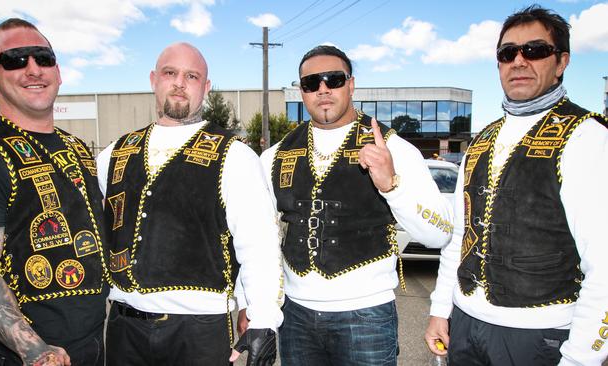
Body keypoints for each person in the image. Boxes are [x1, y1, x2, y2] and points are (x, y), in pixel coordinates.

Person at [237, 45, 452, 366]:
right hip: (295, 317)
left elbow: (441, 234)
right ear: (301, 91)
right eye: (311, 83)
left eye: (333, 79)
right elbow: (256, 238)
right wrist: (248, 302)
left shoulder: (394, 147)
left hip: (367, 317)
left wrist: (392, 185)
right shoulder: (275, 156)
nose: (323, 89)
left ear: (351, 84)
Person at [425, 5, 608, 365]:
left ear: (561, 62)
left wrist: (581, 358)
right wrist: (439, 310)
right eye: (508, 53)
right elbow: (460, 238)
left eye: (535, 50)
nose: (519, 61)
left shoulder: (587, 138)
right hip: (465, 327)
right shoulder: (481, 140)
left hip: (540, 336)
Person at [96, 42, 282, 366]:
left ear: (206, 87)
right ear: (154, 79)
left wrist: (263, 318)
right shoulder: (114, 153)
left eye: (192, 76)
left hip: (199, 332)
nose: (180, 83)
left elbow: (259, 244)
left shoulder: (235, 155)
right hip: (123, 328)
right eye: (171, 73)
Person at [0, 18, 109, 366]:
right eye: (15, 59)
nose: (33, 69)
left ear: (58, 71)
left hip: (94, 344)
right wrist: (34, 349)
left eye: (43, 58)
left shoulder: (75, 148)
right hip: (34, 356)